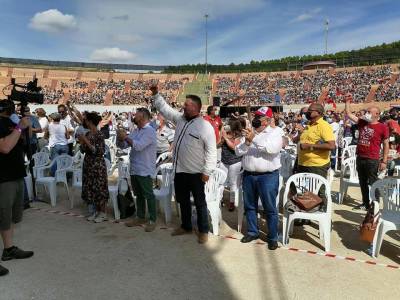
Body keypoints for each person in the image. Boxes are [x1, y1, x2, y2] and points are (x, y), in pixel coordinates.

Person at [151, 86, 217, 244]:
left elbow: (211, 151)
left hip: (196, 172)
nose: (183, 107)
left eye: (186, 105)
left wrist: (207, 171)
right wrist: (156, 94)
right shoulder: (180, 118)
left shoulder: (205, 126)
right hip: (180, 171)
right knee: (183, 200)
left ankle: (203, 230)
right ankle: (186, 226)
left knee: (200, 203)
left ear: (194, 107)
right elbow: (165, 109)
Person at [235, 107, 282, 250]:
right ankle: (252, 232)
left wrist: (253, 139)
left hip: (267, 176)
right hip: (249, 175)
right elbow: (238, 152)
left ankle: (272, 237)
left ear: (267, 120)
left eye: (259, 117)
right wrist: (247, 142)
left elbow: (271, 150)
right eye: (255, 116)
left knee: (270, 208)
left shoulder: (275, 132)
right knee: (250, 206)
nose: (255, 119)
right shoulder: (249, 133)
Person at [0, 100, 34, 277]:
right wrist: (20, 127)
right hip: (3, 178)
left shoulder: (11, 122)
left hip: (16, 175)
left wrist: (23, 125)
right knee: (1, 216)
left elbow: (20, 141)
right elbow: (5, 147)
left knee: (10, 218)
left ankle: (9, 249)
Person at [345, 95, 389, 210]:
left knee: (373, 183)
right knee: (362, 182)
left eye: (369, 112)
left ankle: (375, 205)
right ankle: (365, 203)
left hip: (372, 159)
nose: (367, 113)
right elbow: (349, 114)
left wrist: (384, 161)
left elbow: (386, 144)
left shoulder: (382, 127)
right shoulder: (362, 122)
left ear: (377, 114)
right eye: (367, 111)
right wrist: (347, 102)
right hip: (360, 157)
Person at [117, 108, 157, 232]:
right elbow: (124, 145)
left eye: (137, 115)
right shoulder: (136, 130)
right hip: (135, 168)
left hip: (144, 168)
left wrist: (126, 137)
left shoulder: (149, 131)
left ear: (143, 117)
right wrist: (120, 138)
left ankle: (152, 219)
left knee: (148, 194)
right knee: (138, 194)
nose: (134, 116)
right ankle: (140, 216)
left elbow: (138, 146)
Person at [78, 112, 109, 223]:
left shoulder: (99, 135)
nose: (84, 122)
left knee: (99, 188)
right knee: (90, 187)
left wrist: (86, 141)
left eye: (85, 120)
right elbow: (82, 150)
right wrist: (82, 142)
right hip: (88, 164)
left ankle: (103, 213)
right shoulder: (87, 134)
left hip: (97, 165)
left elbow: (99, 151)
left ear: (90, 121)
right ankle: (95, 211)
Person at [219, 118, 244, 212]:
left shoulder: (239, 135)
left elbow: (234, 147)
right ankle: (220, 199)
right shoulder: (226, 133)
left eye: (229, 125)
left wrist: (225, 138)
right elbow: (218, 145)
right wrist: (221, 135)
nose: (227, 126)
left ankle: (232, 202)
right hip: (224, 161)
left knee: (233, 183)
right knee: (221, 182)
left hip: (235, 162)